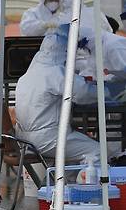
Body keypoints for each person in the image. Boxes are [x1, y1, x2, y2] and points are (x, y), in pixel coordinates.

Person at [15, 25, 100, 167]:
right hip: (47, 139)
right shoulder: (55, 73)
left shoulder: (30, 72)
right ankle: (84, 187)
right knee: (97, 151)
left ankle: (68, 182)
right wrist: (109, 91)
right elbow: (84, 93)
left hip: (23, 137)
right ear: (66, 50)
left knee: (77, 148)